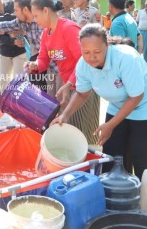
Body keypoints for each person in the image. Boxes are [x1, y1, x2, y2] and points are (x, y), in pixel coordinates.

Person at [51, 24, 147, 180]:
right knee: (112, 157)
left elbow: (136, 97)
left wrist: (110, 125)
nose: (91, 57)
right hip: (117, 106)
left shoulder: (126, 58)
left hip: (143, 107)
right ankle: (116, 196)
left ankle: (142, 199)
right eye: (86, 52)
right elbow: (82, 94)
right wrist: (65, 115)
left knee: (141, 156)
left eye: (97, 52)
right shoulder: (83, 65)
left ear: (107, 45)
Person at [24, 0, 100, 144]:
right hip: (68, 86)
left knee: (82, 131)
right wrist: (34, 65)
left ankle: (88, 163)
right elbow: (43, 59)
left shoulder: (68, 29)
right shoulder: (46, 33)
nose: (35, 20)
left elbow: (84, 59)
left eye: (36, 16)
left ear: (46, 10)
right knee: (69, 128)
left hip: (83, 85)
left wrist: (70, 83)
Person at [0, 0, 45, 92]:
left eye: (16, 10)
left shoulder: (42, 22)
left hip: (51, 62)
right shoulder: (21, 22)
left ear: (25, 10)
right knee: (37, 91)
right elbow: (6, 25)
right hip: (39, 61)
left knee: (51, 93)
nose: (15, 13)